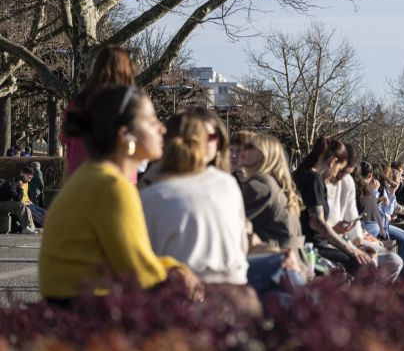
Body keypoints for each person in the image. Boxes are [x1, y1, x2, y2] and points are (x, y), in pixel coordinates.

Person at [38, 86, 203, 302]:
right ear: (126, 135)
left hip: (70, 301)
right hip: (89, 308)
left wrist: (171, 267)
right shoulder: (112, 186)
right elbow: (139, 271)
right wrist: (179, 272)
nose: (162, 129)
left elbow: (131, 258)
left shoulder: (93, 175)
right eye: (152, 121)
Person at [140, 108, 249, 286]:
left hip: (179, 292)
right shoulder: (227, 184)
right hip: (231, 287)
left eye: (212, 137)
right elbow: (242, 248)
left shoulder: (149, 194)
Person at [235, 132, 312, 291]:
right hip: (295, 263)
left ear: (264, 155)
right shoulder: (277, 185)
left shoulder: (260, 187)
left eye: (249, 147)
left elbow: (230, 226)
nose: (241, 150)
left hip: (276, 267)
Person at [292, 136, 372, 274]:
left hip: (302, 245)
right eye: (339, 169)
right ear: (333, 162)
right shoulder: (314, 179)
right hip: (312, 249)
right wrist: (351, 249)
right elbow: (318, 223)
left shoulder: (299, 175)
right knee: (361, 265)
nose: (336, 175)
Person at [327, 145, 402, 281]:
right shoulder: (320, 183)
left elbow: (352, 216)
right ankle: (362, 299)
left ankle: (376, 297)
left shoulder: (348, 182)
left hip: (352, 237)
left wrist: (360, 242)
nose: (342, 176)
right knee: (369, 262)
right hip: (332, 241)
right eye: (341, 170)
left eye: (346, 172)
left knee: (395, 261)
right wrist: (354, 246)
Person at [61, 46, 136, 181]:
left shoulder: (79, 102)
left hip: (78, 179)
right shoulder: (127, 104)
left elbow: (63, 137)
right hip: (117, 179)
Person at [358, 162, 404, 278]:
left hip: (382, 225)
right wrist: (375, 195)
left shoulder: (382, 189)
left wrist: (392, 193)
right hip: (375, 229)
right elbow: (373, 214)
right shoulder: (367, 190)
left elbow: (388, 211)